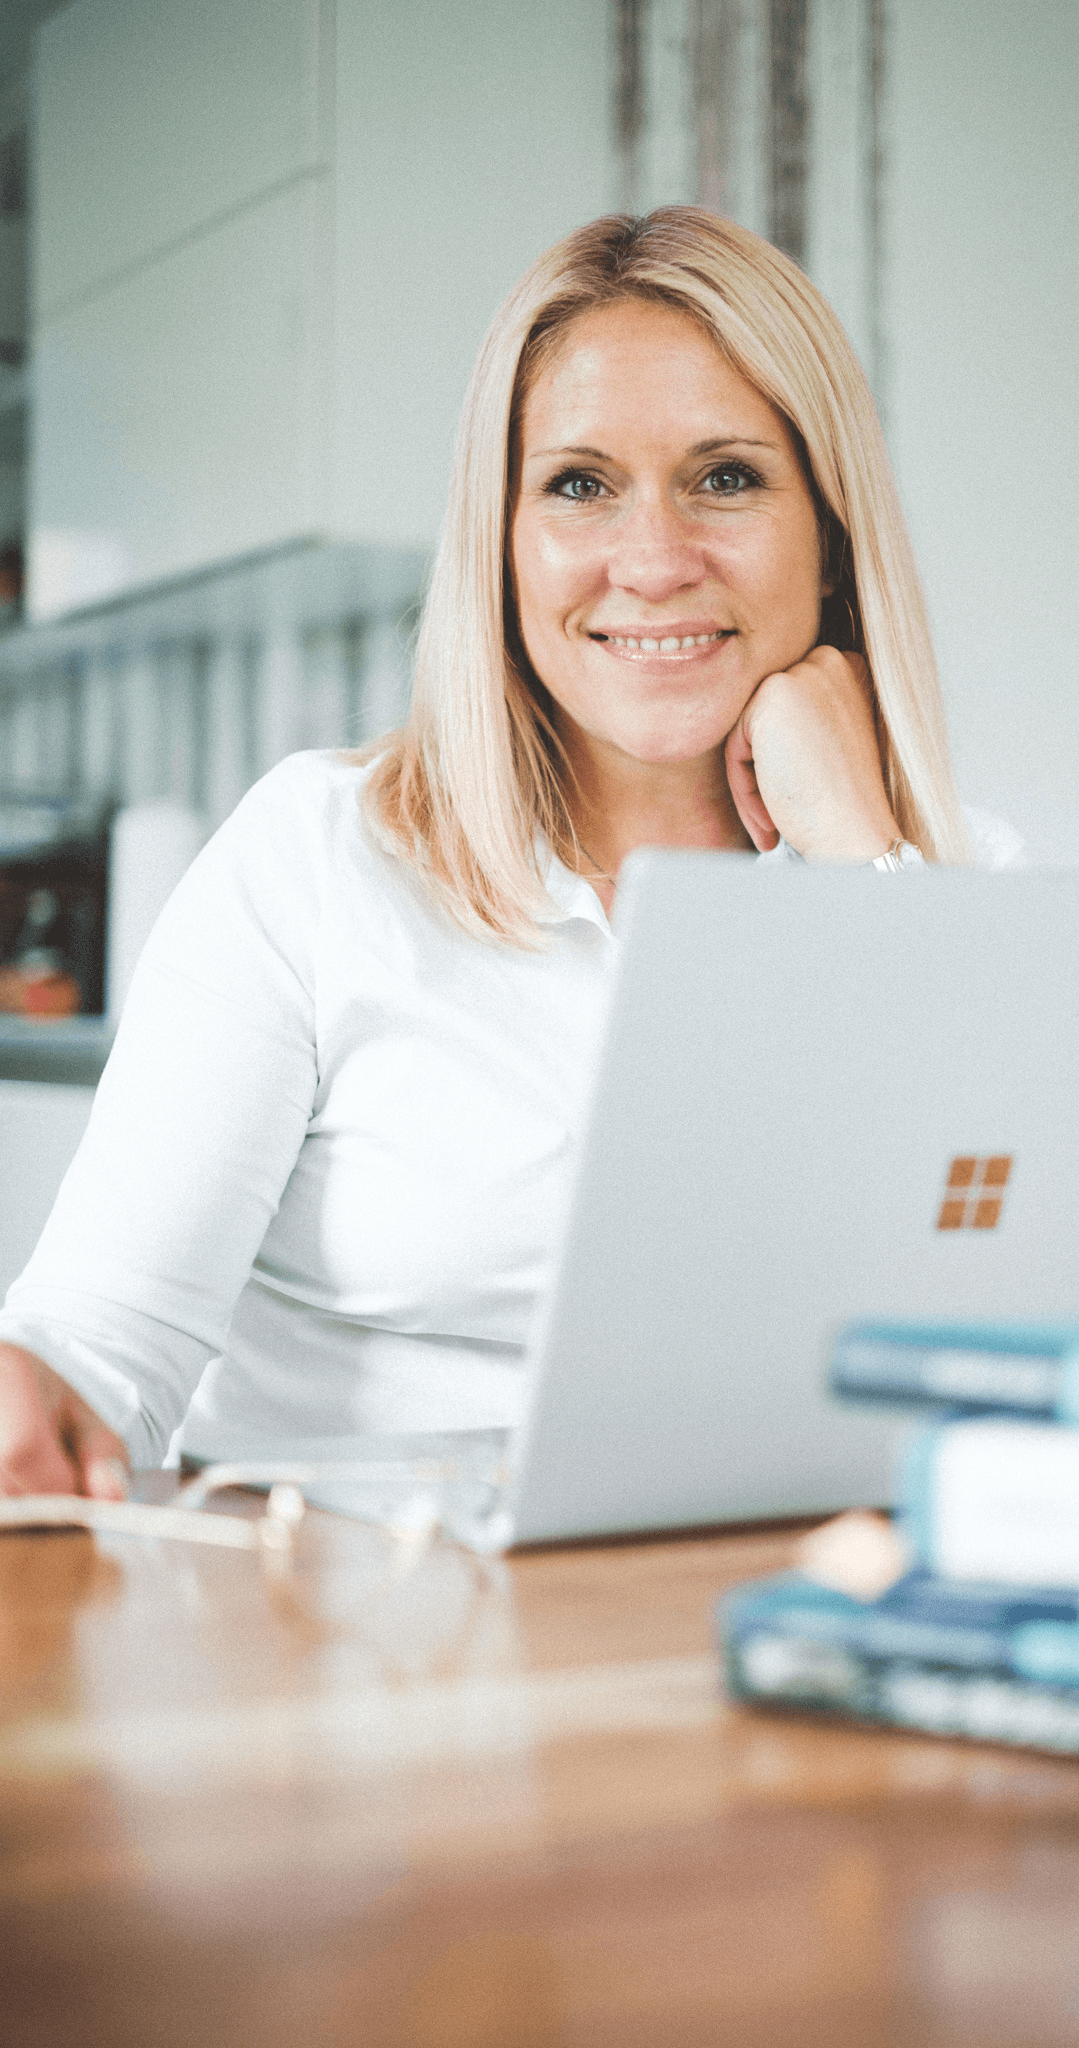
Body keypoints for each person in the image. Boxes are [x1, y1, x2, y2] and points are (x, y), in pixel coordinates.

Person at [0, 207, 1018, 1500]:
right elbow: (102, 1346)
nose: (652, 562)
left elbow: (999, 1348)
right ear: (501, 542)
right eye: (579, 484)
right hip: (343, 1647)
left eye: (727, 477)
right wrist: (38, 1395)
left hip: (772, 1630)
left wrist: (856, 851)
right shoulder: (313, 859)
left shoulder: (948, 878)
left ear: (827, 537)